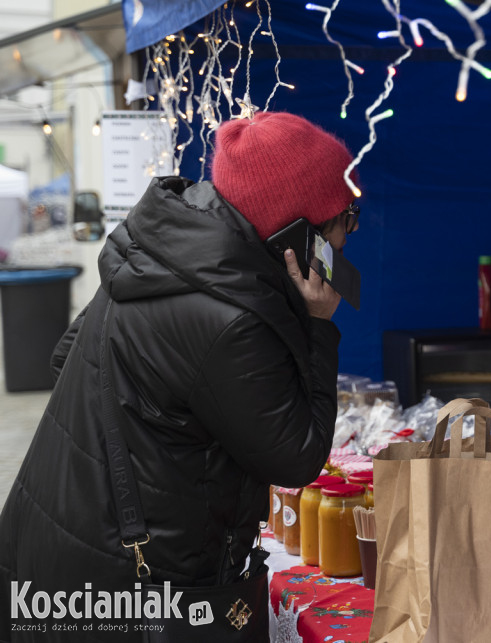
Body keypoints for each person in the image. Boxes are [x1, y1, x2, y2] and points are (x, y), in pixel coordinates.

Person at [0, 111, 358, 642]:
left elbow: (66, 356)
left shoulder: (163, 252)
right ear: (297, 234)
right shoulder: (229, 316)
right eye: (343, 217)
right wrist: (318, 329)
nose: (349, 231)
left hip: (53, 549)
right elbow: (298, 456)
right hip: (125, 586)